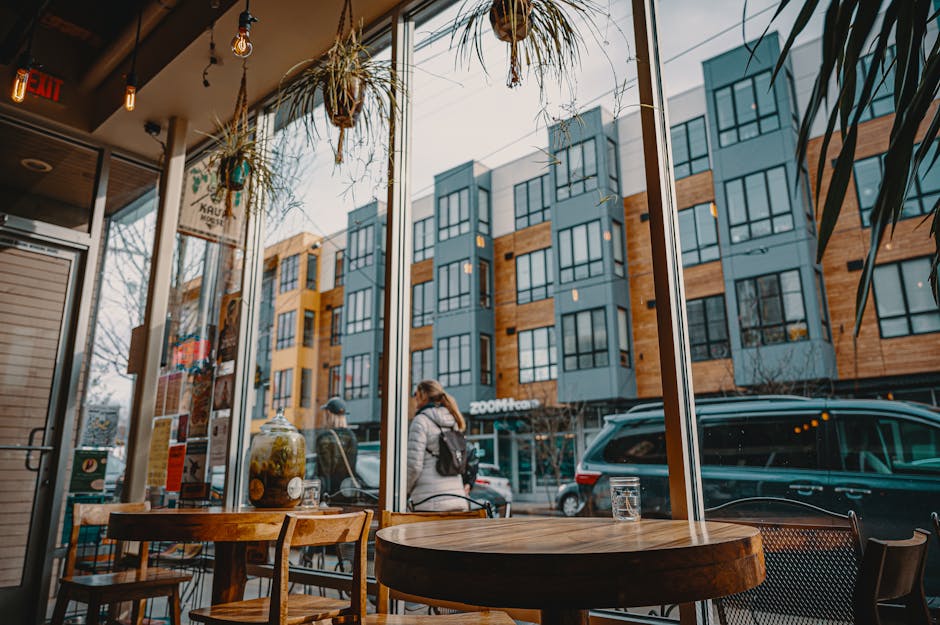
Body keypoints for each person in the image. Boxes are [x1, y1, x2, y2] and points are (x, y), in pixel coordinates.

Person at [408, 379, 468, 511]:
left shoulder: (420, 421)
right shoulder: (453, 420)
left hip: (429, 501)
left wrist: (404, 490)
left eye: (415, 393)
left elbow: (414, 466)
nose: (414, 398)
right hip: (457, 498)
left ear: (422, 394)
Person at [314, 397, 359, 497]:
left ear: (329, 414)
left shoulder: (325, 437)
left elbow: (323, 471)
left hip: (330, 494)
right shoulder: (351, 436)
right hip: (347, 491)